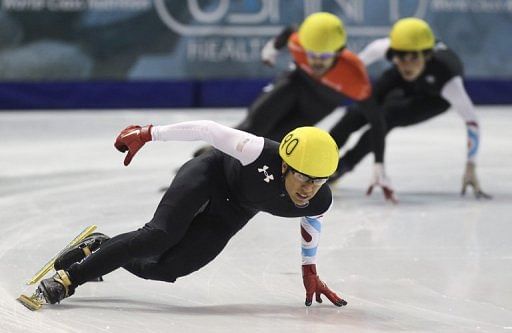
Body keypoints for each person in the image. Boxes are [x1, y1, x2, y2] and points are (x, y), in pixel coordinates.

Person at [36, 120, 348, 308]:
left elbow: (311, 221)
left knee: (167, 268)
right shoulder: (255, 151)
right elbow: (208, 130)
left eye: (319, 181)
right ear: (284, 165)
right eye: (304, 178)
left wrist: (309, 271)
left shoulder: (319, 200)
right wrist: (147, 133)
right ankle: (69, 279)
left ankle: (100, 247)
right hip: (209, 175)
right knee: (160, 236)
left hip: (236, 209)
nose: (310, 189)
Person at [327, 17, 491, 201]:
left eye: (414, 57)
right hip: (401, 80)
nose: (407, 63)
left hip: (433, 97)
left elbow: (472, 121)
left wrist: (471, 166)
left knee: (388, 117)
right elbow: (356, 65)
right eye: (401, 57)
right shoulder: (387, 48)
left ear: (427, 55)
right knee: (358, 111)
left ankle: (342, 167)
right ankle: (322, 155)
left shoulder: (449, 81)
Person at [193, 12, 374, 156]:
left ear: (339, 52)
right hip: (295, 85)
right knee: (253, 127)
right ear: (305, 47)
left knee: (272, 144)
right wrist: (271, 48)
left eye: (325, 56)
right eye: (312, 54)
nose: (317, 62)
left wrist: (376, 163)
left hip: (314, 108)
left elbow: (377, 120)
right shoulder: (299, 43)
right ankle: (214, 157)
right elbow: (290, 32)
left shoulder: (354, 74)